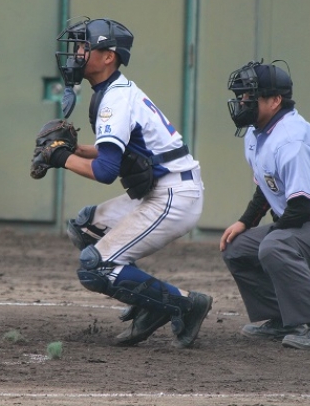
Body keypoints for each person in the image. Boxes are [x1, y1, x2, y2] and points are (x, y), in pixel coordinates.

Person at [46, 17, 212, 348]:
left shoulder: (115, 99)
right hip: (161, 189)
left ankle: (185, 304)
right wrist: (75, 150)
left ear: (109, 56)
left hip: (174, 195)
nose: (77, 53)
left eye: (84, 47)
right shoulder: (112, 91)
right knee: (86, 227)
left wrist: (60, 157)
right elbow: (116, 150)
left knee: (95, 268)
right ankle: (148, 303)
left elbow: (106, 171)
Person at [219, 59, 310, 350]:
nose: (242, 101)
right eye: (241, 95)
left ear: (275, 100)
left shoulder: (291, 140)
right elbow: (268, 185)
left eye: (250, 96)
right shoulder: (257, 132)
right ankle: (284, 320)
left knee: (275, 246)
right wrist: (245, 222)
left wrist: (272, 236)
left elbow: (300, 207)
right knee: (237, 248)